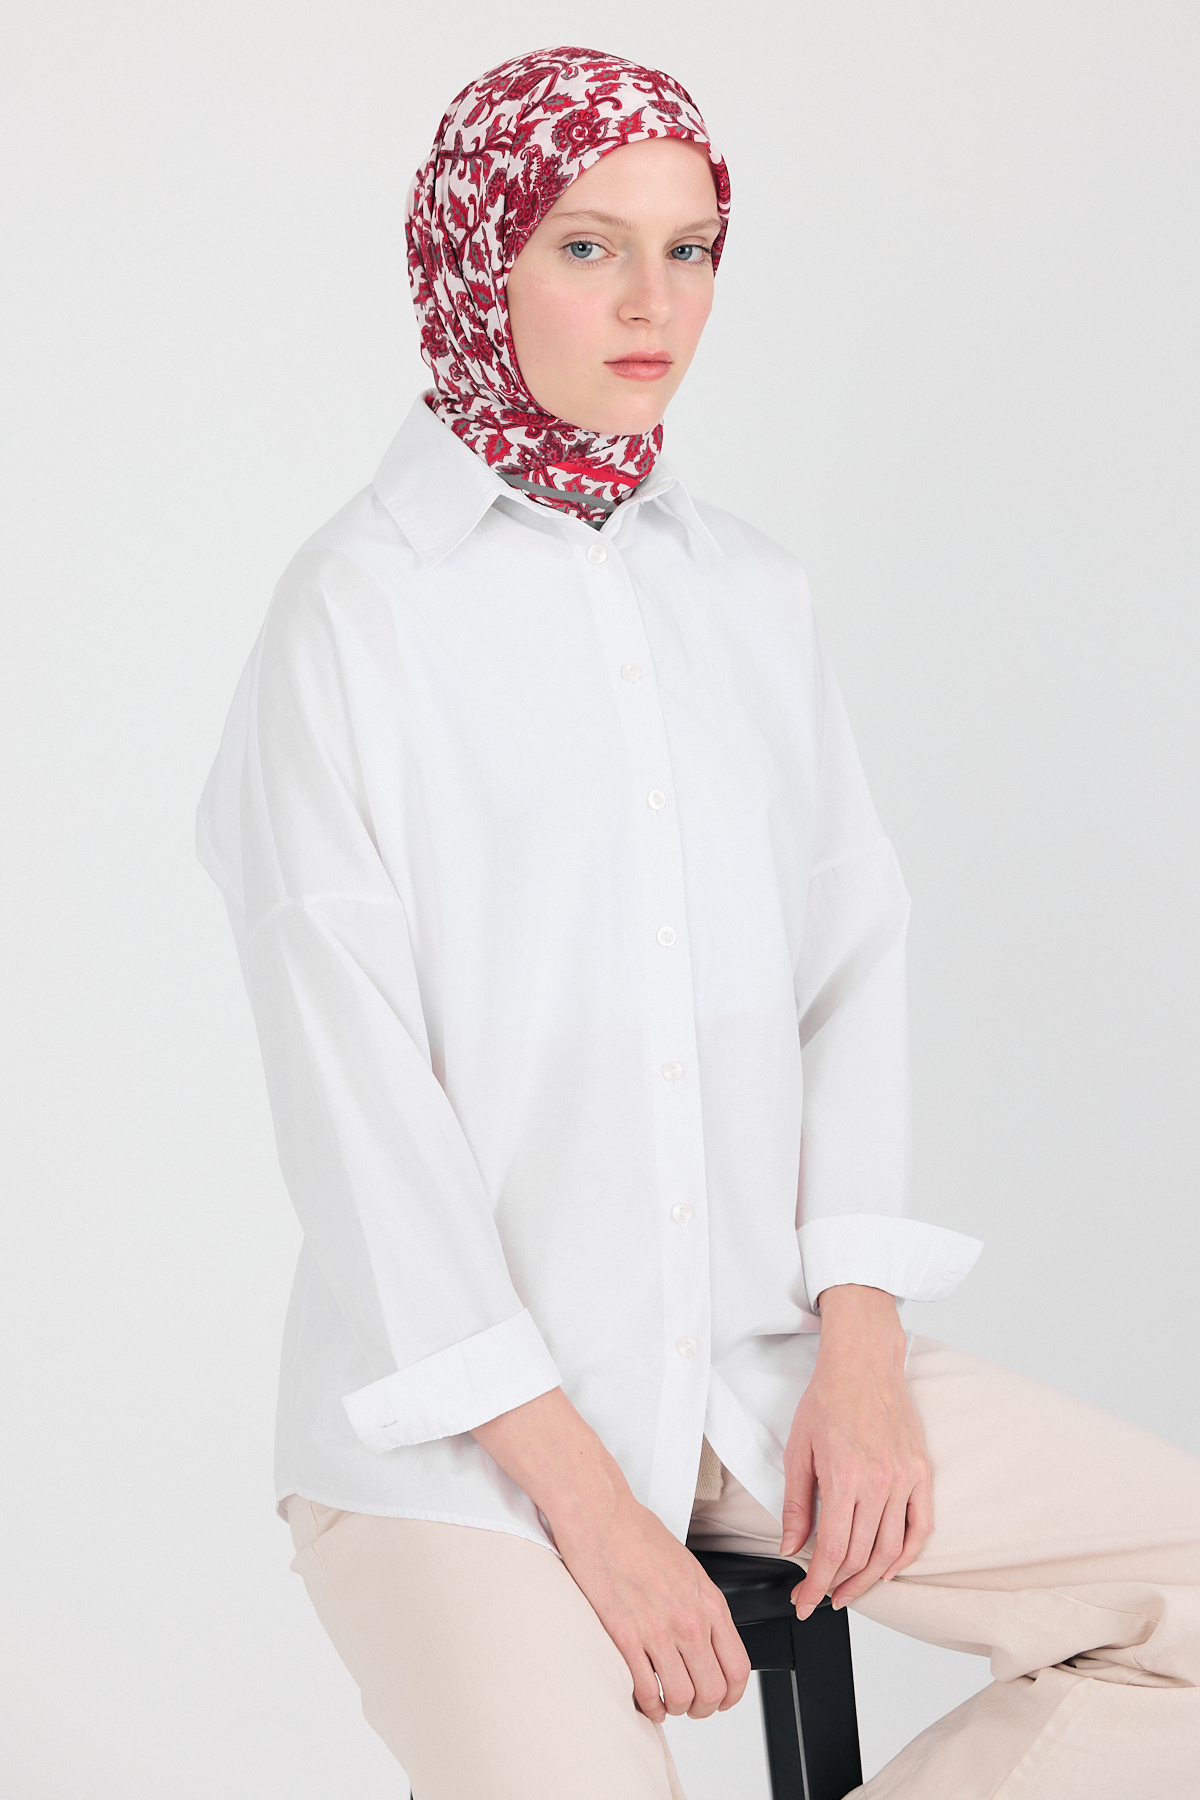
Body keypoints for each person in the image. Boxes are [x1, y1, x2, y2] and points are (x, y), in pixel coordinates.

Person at [197, 45, 1200, 1800]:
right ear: (479, 256)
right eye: (588, 246)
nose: (654, 302)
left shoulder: (752, 594)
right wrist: (593, 1513)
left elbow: (848, 969)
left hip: (762, 1375)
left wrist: (863, 1351)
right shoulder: (350, 619)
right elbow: (360, 1118)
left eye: (693, 248)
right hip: (460, 1440)